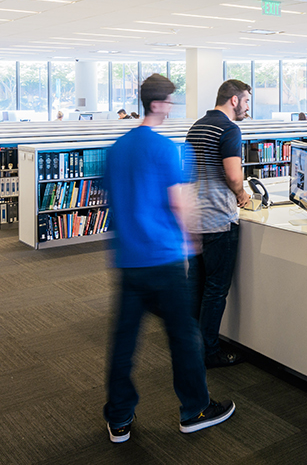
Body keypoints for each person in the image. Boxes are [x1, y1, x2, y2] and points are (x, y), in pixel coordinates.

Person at [102, 73, 235, 444]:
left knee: (124, 341)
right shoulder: (166, 150)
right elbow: (180, 203)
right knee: (183, 337)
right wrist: (192, 243)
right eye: (170, 101)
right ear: (158, 104)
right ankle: (195, 410)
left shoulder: (116, 148)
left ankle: (119, 418)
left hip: (128, 259)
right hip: (163, 258)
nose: (172, 107)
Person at [187, 79, 251, 368]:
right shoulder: (229, 129)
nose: (248, 107)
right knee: (215, 289)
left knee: (196, 285)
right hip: (219, 219)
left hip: (196, 215)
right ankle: (209, 352)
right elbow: (234, 175)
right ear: (234, 100)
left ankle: (190, 345)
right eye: (247, 101)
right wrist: (242, 194)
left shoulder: (196, 126)